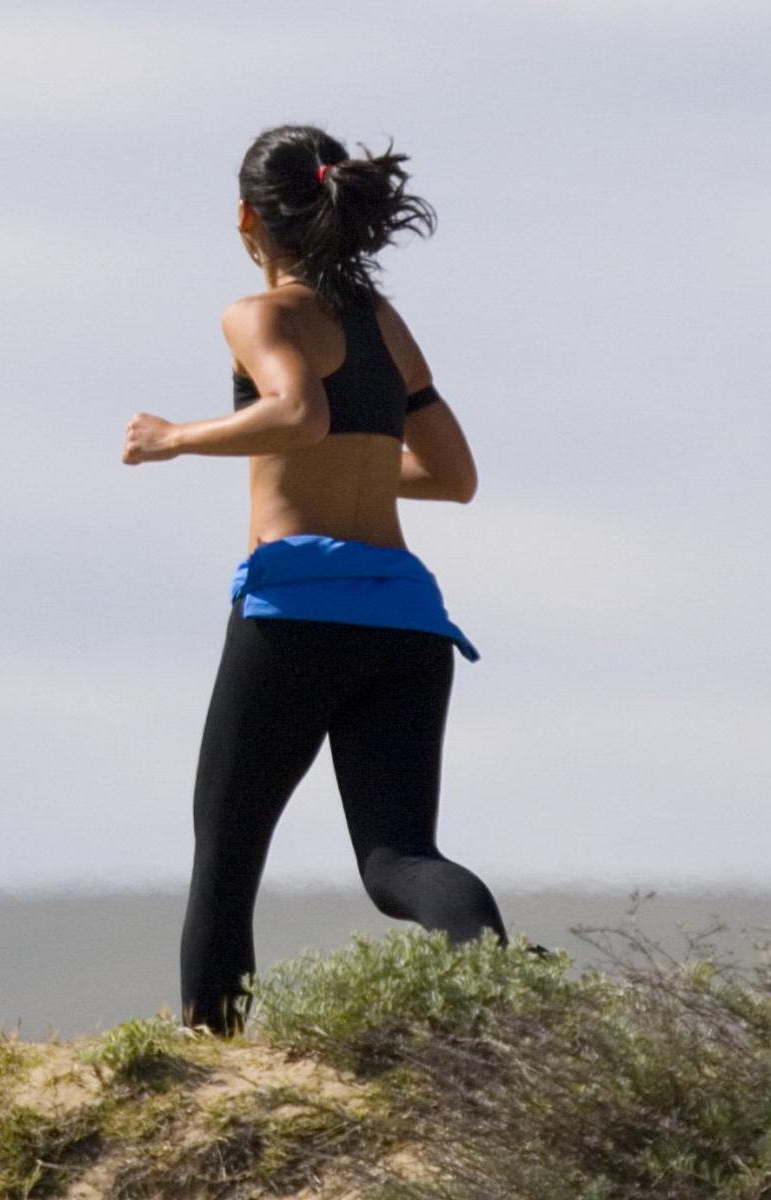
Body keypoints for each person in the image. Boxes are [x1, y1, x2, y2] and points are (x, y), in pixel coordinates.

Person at [121, 124, 539, 1038]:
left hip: (296, 615)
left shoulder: (259, 315)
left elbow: (298, 414)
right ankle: (502, 989)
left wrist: (174, 438)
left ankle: (211, 1067)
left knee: (227, 858)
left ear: (247, 218)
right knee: (399, 862)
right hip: (406, 624)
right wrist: (351, 461)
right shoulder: (383, 325)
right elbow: (452, 477)